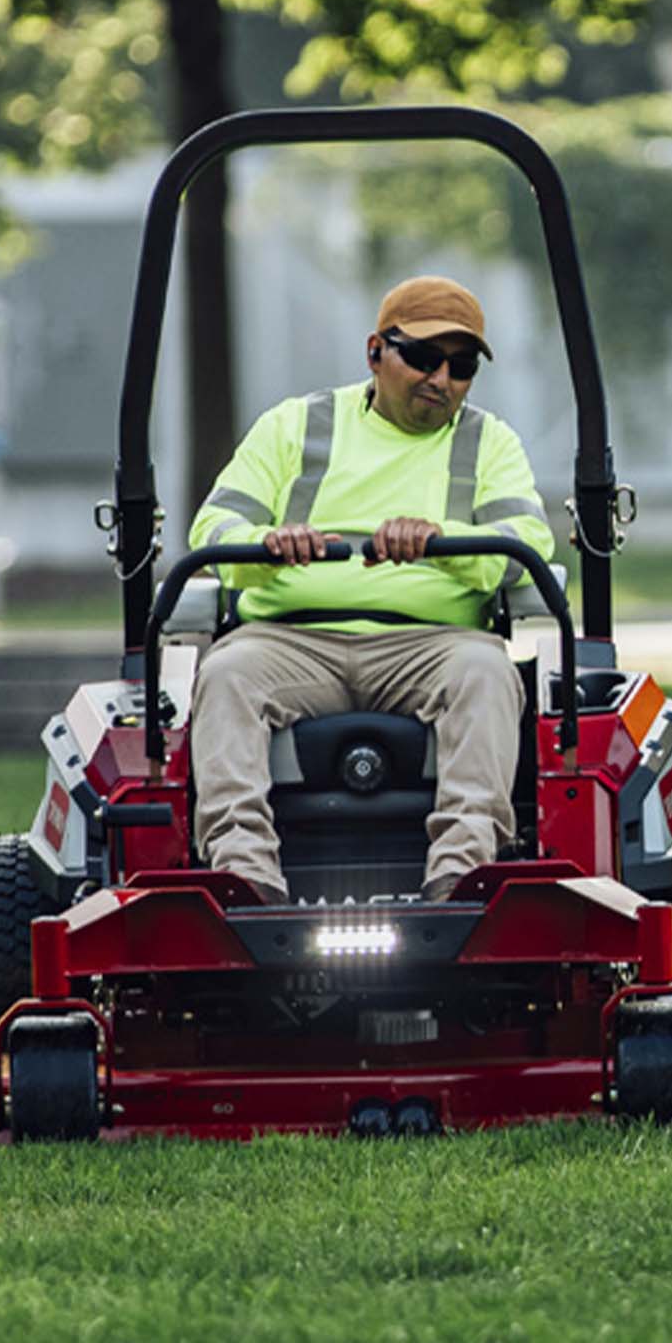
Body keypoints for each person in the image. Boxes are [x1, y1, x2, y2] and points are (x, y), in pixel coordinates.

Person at [186, 274, 556, 905]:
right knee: (225, 675)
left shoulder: (487, 442)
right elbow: (213, 528)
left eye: (460, 366)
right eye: (422, 357)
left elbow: (525, 541)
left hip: (433, 644)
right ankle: (245, 878)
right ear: (375, 352)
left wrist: (444, 538)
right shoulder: (294, 427)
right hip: (290, 639)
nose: (441, 379)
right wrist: (272, 547)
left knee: (487, 672)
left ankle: (461, 877)